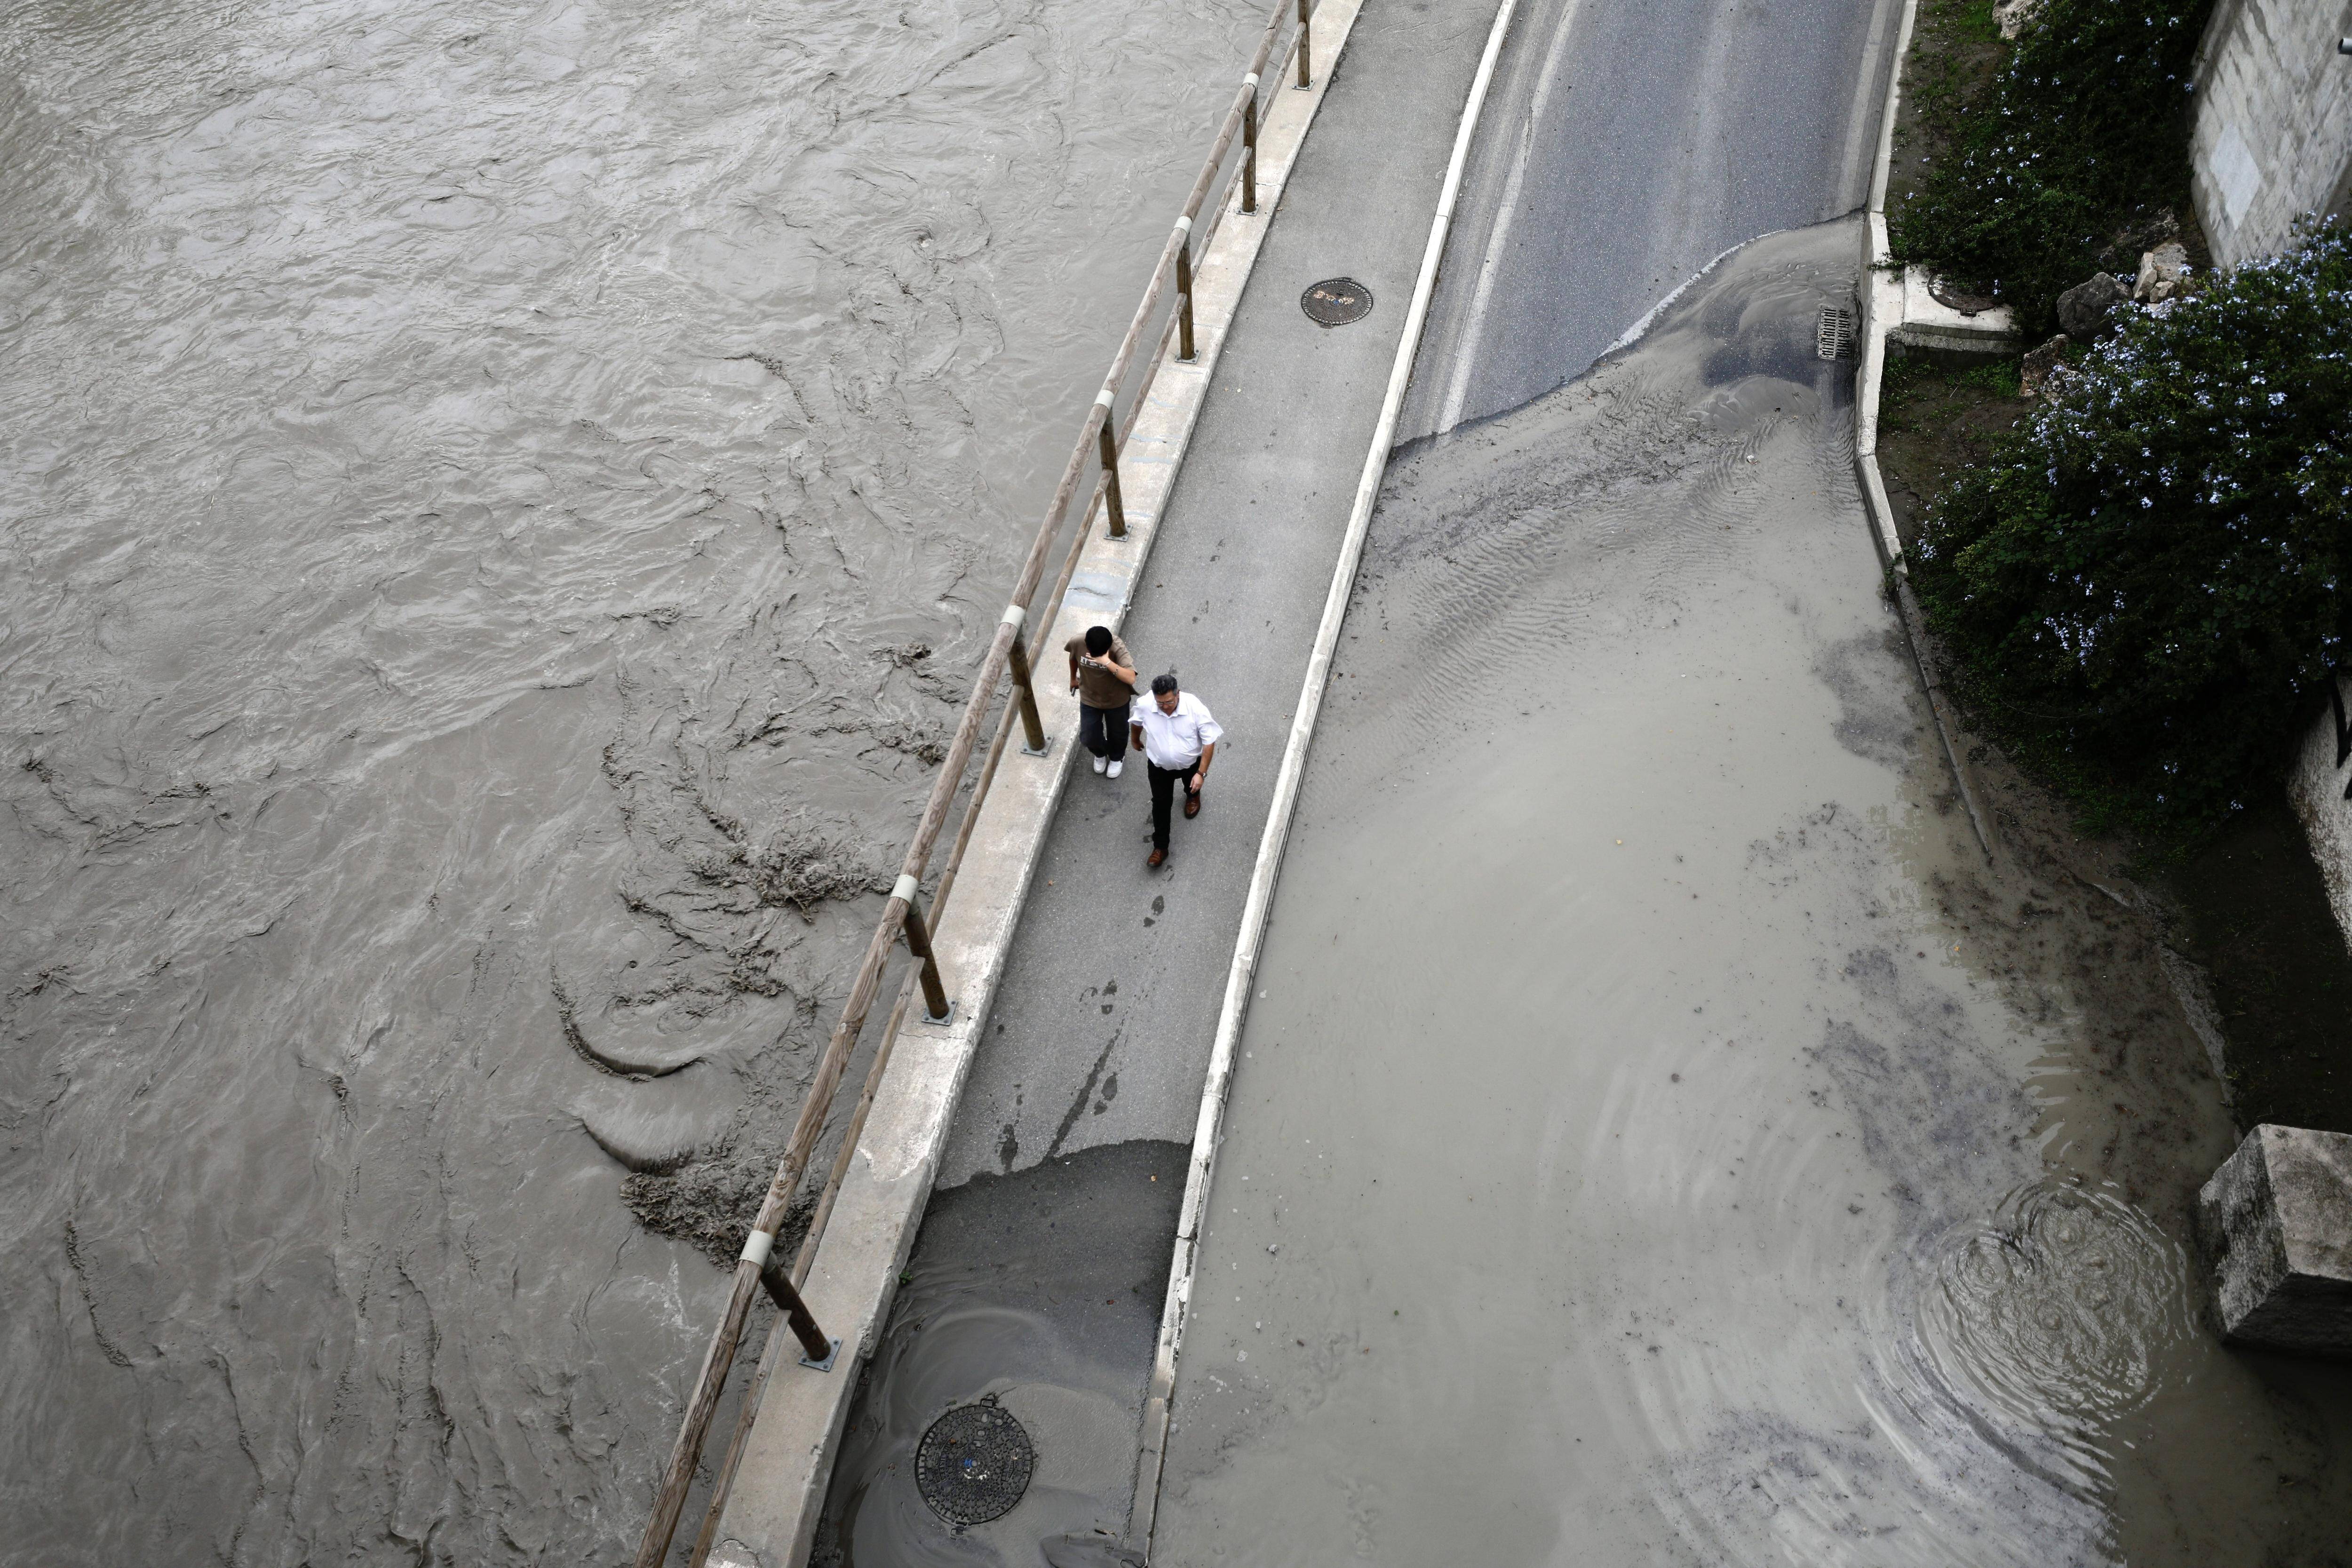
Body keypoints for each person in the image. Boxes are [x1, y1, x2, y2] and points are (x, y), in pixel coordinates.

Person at [1129, 674, 1221, 869]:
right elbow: (1137, 722)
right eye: (1160, 703)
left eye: (1169, 702)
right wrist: (1135, 740)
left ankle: (1193, 796)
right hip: (1159, 767)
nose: (1165, 707)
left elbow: (1209, 741)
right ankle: (1160, 847)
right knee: (1160, 804)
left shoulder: (1195, 708)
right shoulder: (1146, 704)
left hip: (1190, 764)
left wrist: (1201, 774)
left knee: (1192, 785)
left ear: (1178, 694)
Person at [1064, 625, 1139, 777]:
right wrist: (1073, 678)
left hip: (1117, 700)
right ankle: (1100, 753)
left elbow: (1131, 678)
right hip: (1090, 698)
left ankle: (1117, 757)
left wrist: (1106, 661)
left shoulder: (1117, 647)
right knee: (1088, 737)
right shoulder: (1078, 642)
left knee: (1118, 734)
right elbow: (1073, 658)